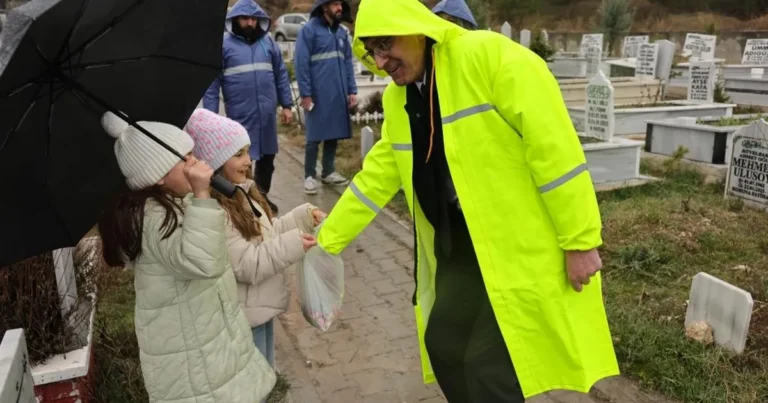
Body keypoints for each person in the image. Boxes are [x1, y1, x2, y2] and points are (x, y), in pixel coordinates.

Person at [315, 0, 620, 402]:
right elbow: (376, 177)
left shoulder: (491, 59)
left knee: (487, 367)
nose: (381, 60)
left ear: (417, 28)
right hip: (460, 251)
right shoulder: (399, 100)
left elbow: (556, 154)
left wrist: (580, 239)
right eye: (372, 50)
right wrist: (326, 240)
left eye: (386, 44)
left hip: (518, 251)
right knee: (443, 343)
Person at [97, 112, 275, 402]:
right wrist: (203, 195)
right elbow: (204, 262)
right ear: (158, 175)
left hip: (205, 339)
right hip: (191, 358)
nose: (196, 163)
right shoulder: (153, 219)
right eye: (187, 158)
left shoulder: (174, 202)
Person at [185, 108, 326, 381]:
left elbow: (267, 235)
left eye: (248, 152)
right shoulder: (216, 211)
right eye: (238, 154)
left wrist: (302, 217)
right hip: (244, 317)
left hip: (260, 309)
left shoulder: (242, 192)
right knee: (255, 382)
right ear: (214, 162)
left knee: (265, 375)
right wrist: (295, 243)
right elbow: (248, 264)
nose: (248, 161)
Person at [203, 0, 293, 214]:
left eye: (254, 19)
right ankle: (246, 201)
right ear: (235, 20)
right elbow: (212, 84)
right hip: (240, 117)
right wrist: (210, 117)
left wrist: (287, 105)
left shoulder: (268, 43)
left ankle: (263, 198)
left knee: (268, 159)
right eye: (245, 18)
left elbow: (281, 75)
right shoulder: (224, 46)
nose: (250, 23)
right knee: (244, 162)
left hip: (267, 116)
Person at [294, 0, 357, 195]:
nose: (339, 8)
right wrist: (306, 93)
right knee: (314, 136)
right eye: (335, 4)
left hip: (337, 91)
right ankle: (309, 176)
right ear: (324, 7)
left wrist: (351, 90)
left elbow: (348, 63)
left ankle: (328, 171)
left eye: (340, 4)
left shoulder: (341, 33)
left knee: (334, 132)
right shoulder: (309, 31)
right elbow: (301, 63)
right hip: (317, 93)